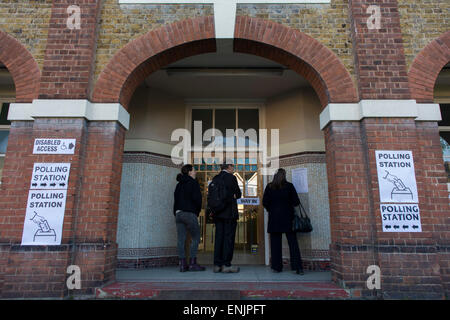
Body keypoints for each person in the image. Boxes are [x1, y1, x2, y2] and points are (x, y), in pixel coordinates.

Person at [263, 168, 304, 274]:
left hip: (274, 218)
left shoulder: (269, 186)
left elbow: (265, 202)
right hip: (288, 218)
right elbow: (296, 202)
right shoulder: (289, 186)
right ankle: (297, 267)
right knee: (293, 243)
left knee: (275, 243)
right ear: (284, 175)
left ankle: (277, 267)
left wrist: (271, 209)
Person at [173, 164, 205, 272]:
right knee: (196, 238)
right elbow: (197, 199)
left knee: (181, 240)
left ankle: (182, 264)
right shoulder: (193, 182)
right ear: (190, 172)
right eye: (194, 170)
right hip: (189, 213)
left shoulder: (178, 184)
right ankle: (192, 263)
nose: (195, 172)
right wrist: (196, 212)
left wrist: (176, 212)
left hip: (178, 214)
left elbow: (175, 199)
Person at [211, 163, 242, 273]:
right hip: (229, 214)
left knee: (219, 238)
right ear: (228, 167)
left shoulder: (215, 178)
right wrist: (233, 195)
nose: (233, 168)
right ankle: (226, 264)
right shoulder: (231, 178)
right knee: (228, 238)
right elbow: (238, 194)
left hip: (218, 213)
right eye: (232, 166)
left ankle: (217, 265)